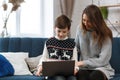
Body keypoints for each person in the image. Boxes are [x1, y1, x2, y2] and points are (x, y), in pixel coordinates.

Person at [74, 4, 115, 80]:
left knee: (94, 76)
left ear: (96, 20)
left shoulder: (105, 34)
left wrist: (82, 63)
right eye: (84, 20)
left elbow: (103, 60)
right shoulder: (80, 29)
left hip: (101, 68)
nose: (85, 23)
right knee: (81, 75)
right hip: (84, 68)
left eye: (89, 21)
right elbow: (75, 48)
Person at [35, 14, 78, 80]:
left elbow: (75, 61)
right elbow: (44, 58)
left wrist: (76, 69)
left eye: (64, 32)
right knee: (59, 78)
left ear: (68, 30)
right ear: (55, 28)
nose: (61, 34)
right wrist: (40, 67)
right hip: (52, 74)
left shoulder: (72, 44)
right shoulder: (49, 42)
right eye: (59, 31)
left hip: (68, 74)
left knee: (73, 79)